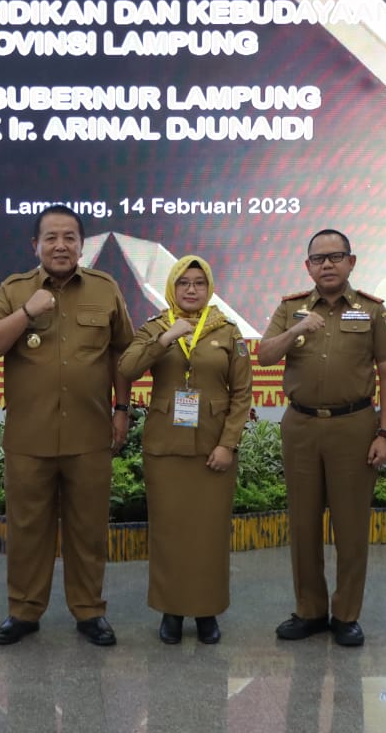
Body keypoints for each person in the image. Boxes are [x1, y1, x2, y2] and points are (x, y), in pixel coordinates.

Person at [0, 204, 134, 646]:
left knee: (88, 528)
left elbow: (123, 353)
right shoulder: (15, 289)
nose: (60, 245)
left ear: (82, 245)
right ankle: (24, 612)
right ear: (36, 245)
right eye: (51, 237)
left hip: (89, 434)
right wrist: (27, 312)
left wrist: (122, 408)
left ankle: (89, 612)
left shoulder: (106, 289)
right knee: (27, 530)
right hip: (30, 437)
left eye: (69, 237)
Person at [257, 229, 386, 647]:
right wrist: (298, 328)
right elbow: (265, 356)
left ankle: (346, 615)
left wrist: (384, 433)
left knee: (351, 526)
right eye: (318, 259)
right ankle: (309, 611)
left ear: (351, 262)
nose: (327, 265)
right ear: (308, 266)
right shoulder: (291, 308)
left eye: (335, 257)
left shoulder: (372, 310)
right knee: (302, 525)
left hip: (354, 427)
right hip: (301, 426)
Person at [118, 255, 253, 645]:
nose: (191, 290)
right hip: (165, 448)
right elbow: (126, 369)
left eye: (199, 283)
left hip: (214, 447)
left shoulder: (227, 331)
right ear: (171, 288)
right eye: (183, 283)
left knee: (209, 534)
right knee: (169, 533)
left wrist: (228, 445)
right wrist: (165, 339)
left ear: (209, 289)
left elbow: (242, 394)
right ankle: (171, 612)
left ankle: (207, 612)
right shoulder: (155, 327)